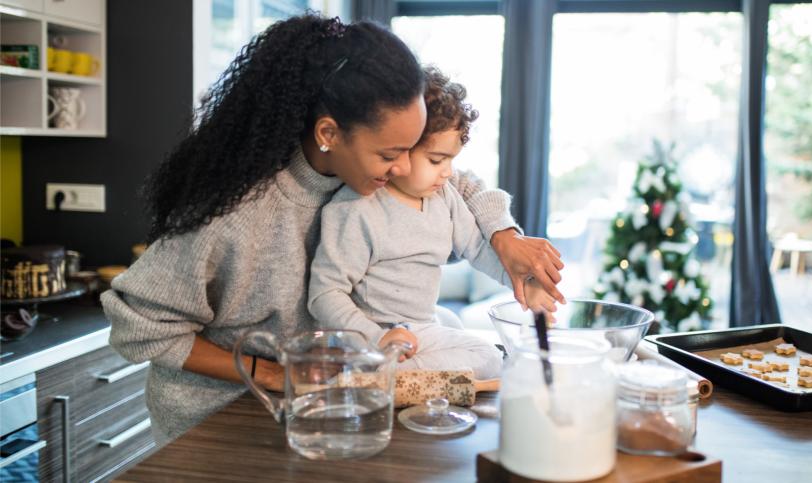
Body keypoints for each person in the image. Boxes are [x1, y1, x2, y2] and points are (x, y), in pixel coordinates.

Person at [101, 14, 564, 444]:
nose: (404, 168)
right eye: (389, 154)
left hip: (313, 408)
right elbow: (141, 329)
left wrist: (505, 237)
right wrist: (272, 373)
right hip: (221, 424)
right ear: (329, 133)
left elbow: (459, 183)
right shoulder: (237, 214)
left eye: (412, 151)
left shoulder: (369, 174)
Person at [308, 67, 558, 379]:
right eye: (436, 160)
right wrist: (377, 338)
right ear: (400, 146)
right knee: (489, 359)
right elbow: (324, 294)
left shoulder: (444, 198)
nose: (447, 172)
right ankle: (372, 379)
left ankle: (390, 377)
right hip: (374, 336)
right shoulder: (356, 209)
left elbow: (479, 249)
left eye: (452, 160)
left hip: (417, 326)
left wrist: (523, 286)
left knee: (451, 321)